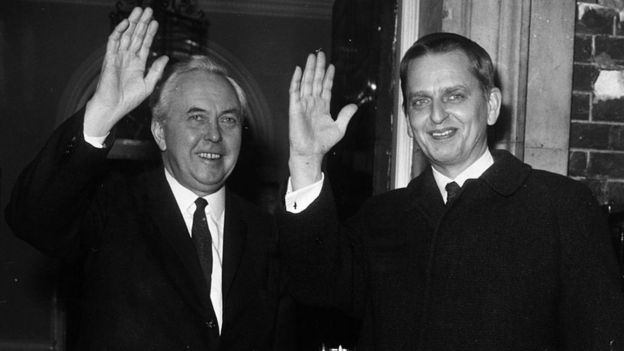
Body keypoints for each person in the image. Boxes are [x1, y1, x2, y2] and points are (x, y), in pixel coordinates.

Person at [279, 32, 624, 350]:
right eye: (420, 102)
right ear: (408, 121)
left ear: (490, 106)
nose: (437, 116)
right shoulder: (381, 216)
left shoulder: (561, 207)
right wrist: (307, 161)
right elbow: (315, 287)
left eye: (454, 96)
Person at [5, 7, 293, 351]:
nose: (214, 135)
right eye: (196, 117)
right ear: (159, 132)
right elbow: (31, 217)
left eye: (228, 120)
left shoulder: (266, 233)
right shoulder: (111, 207)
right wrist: (101, 113)